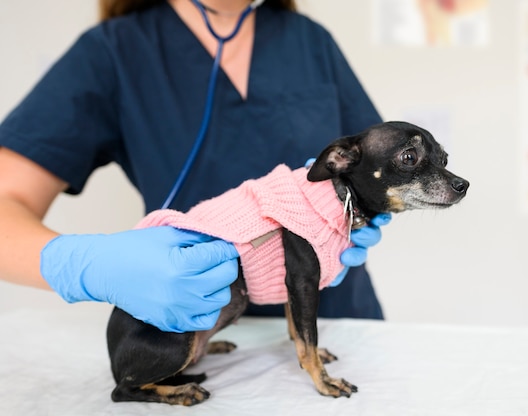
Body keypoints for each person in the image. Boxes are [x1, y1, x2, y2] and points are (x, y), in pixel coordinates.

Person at [0, 0, 389, 333]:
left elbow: (380, 166)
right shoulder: (113, 52)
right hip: (198, 332)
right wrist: (84, 265)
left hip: (336, 323)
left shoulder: (309, 41)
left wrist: (365, 210)